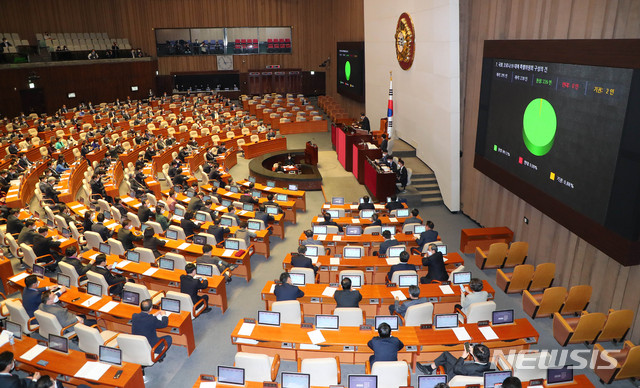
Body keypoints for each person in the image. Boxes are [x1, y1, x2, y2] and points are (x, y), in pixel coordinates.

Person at [417, 344, 491, 380]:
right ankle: (430, 368)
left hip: (454, 376)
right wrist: (474, 354)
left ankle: (429, 369)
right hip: (467, 374)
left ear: (476, 357)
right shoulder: (488, 365)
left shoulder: (468, 368)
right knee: (446, 355)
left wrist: (463, 356)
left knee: (445, 360)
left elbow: (457, 369)